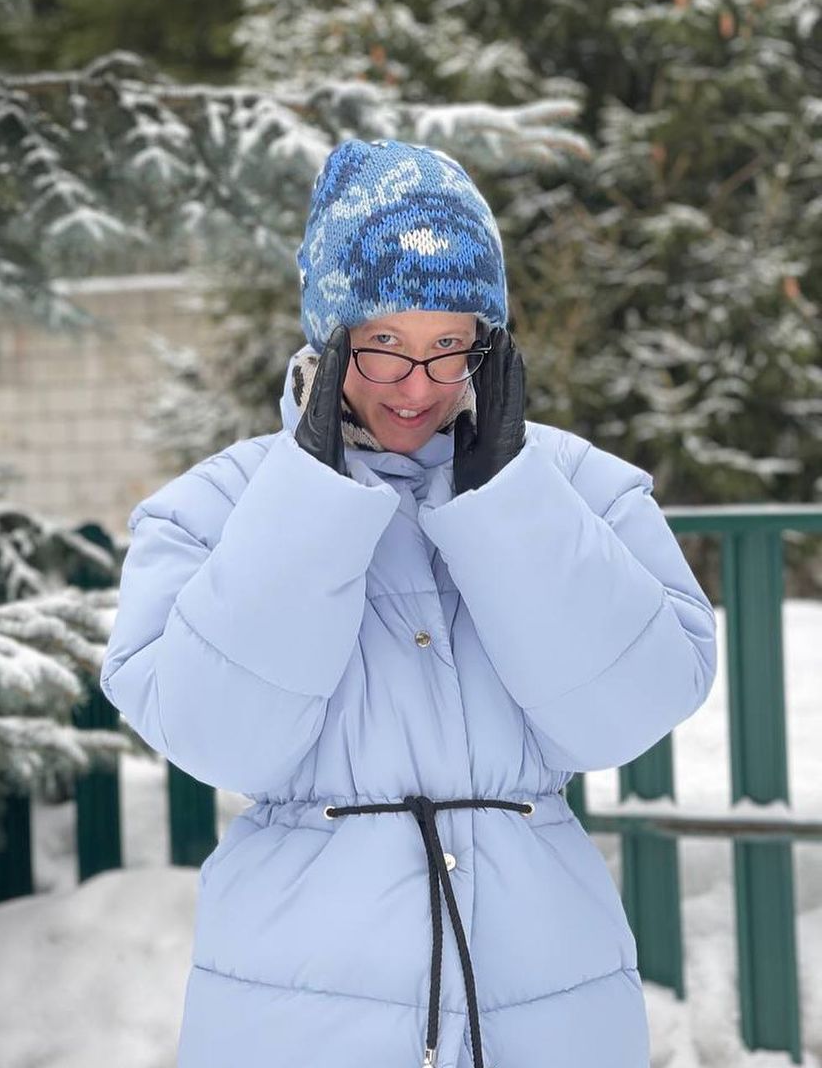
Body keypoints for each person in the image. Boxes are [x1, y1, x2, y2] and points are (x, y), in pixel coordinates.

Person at [99, 137, 718, 1068]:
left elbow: (626, 713)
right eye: (384, 346)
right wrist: (306, 501)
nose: (418, 388)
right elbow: (220, 738)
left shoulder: (579, 486)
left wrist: (511, 500)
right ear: (329, 334)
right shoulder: (213, 508)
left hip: (551, 1001)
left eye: (449, 348)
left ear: (489, 345)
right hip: (302, 1011)